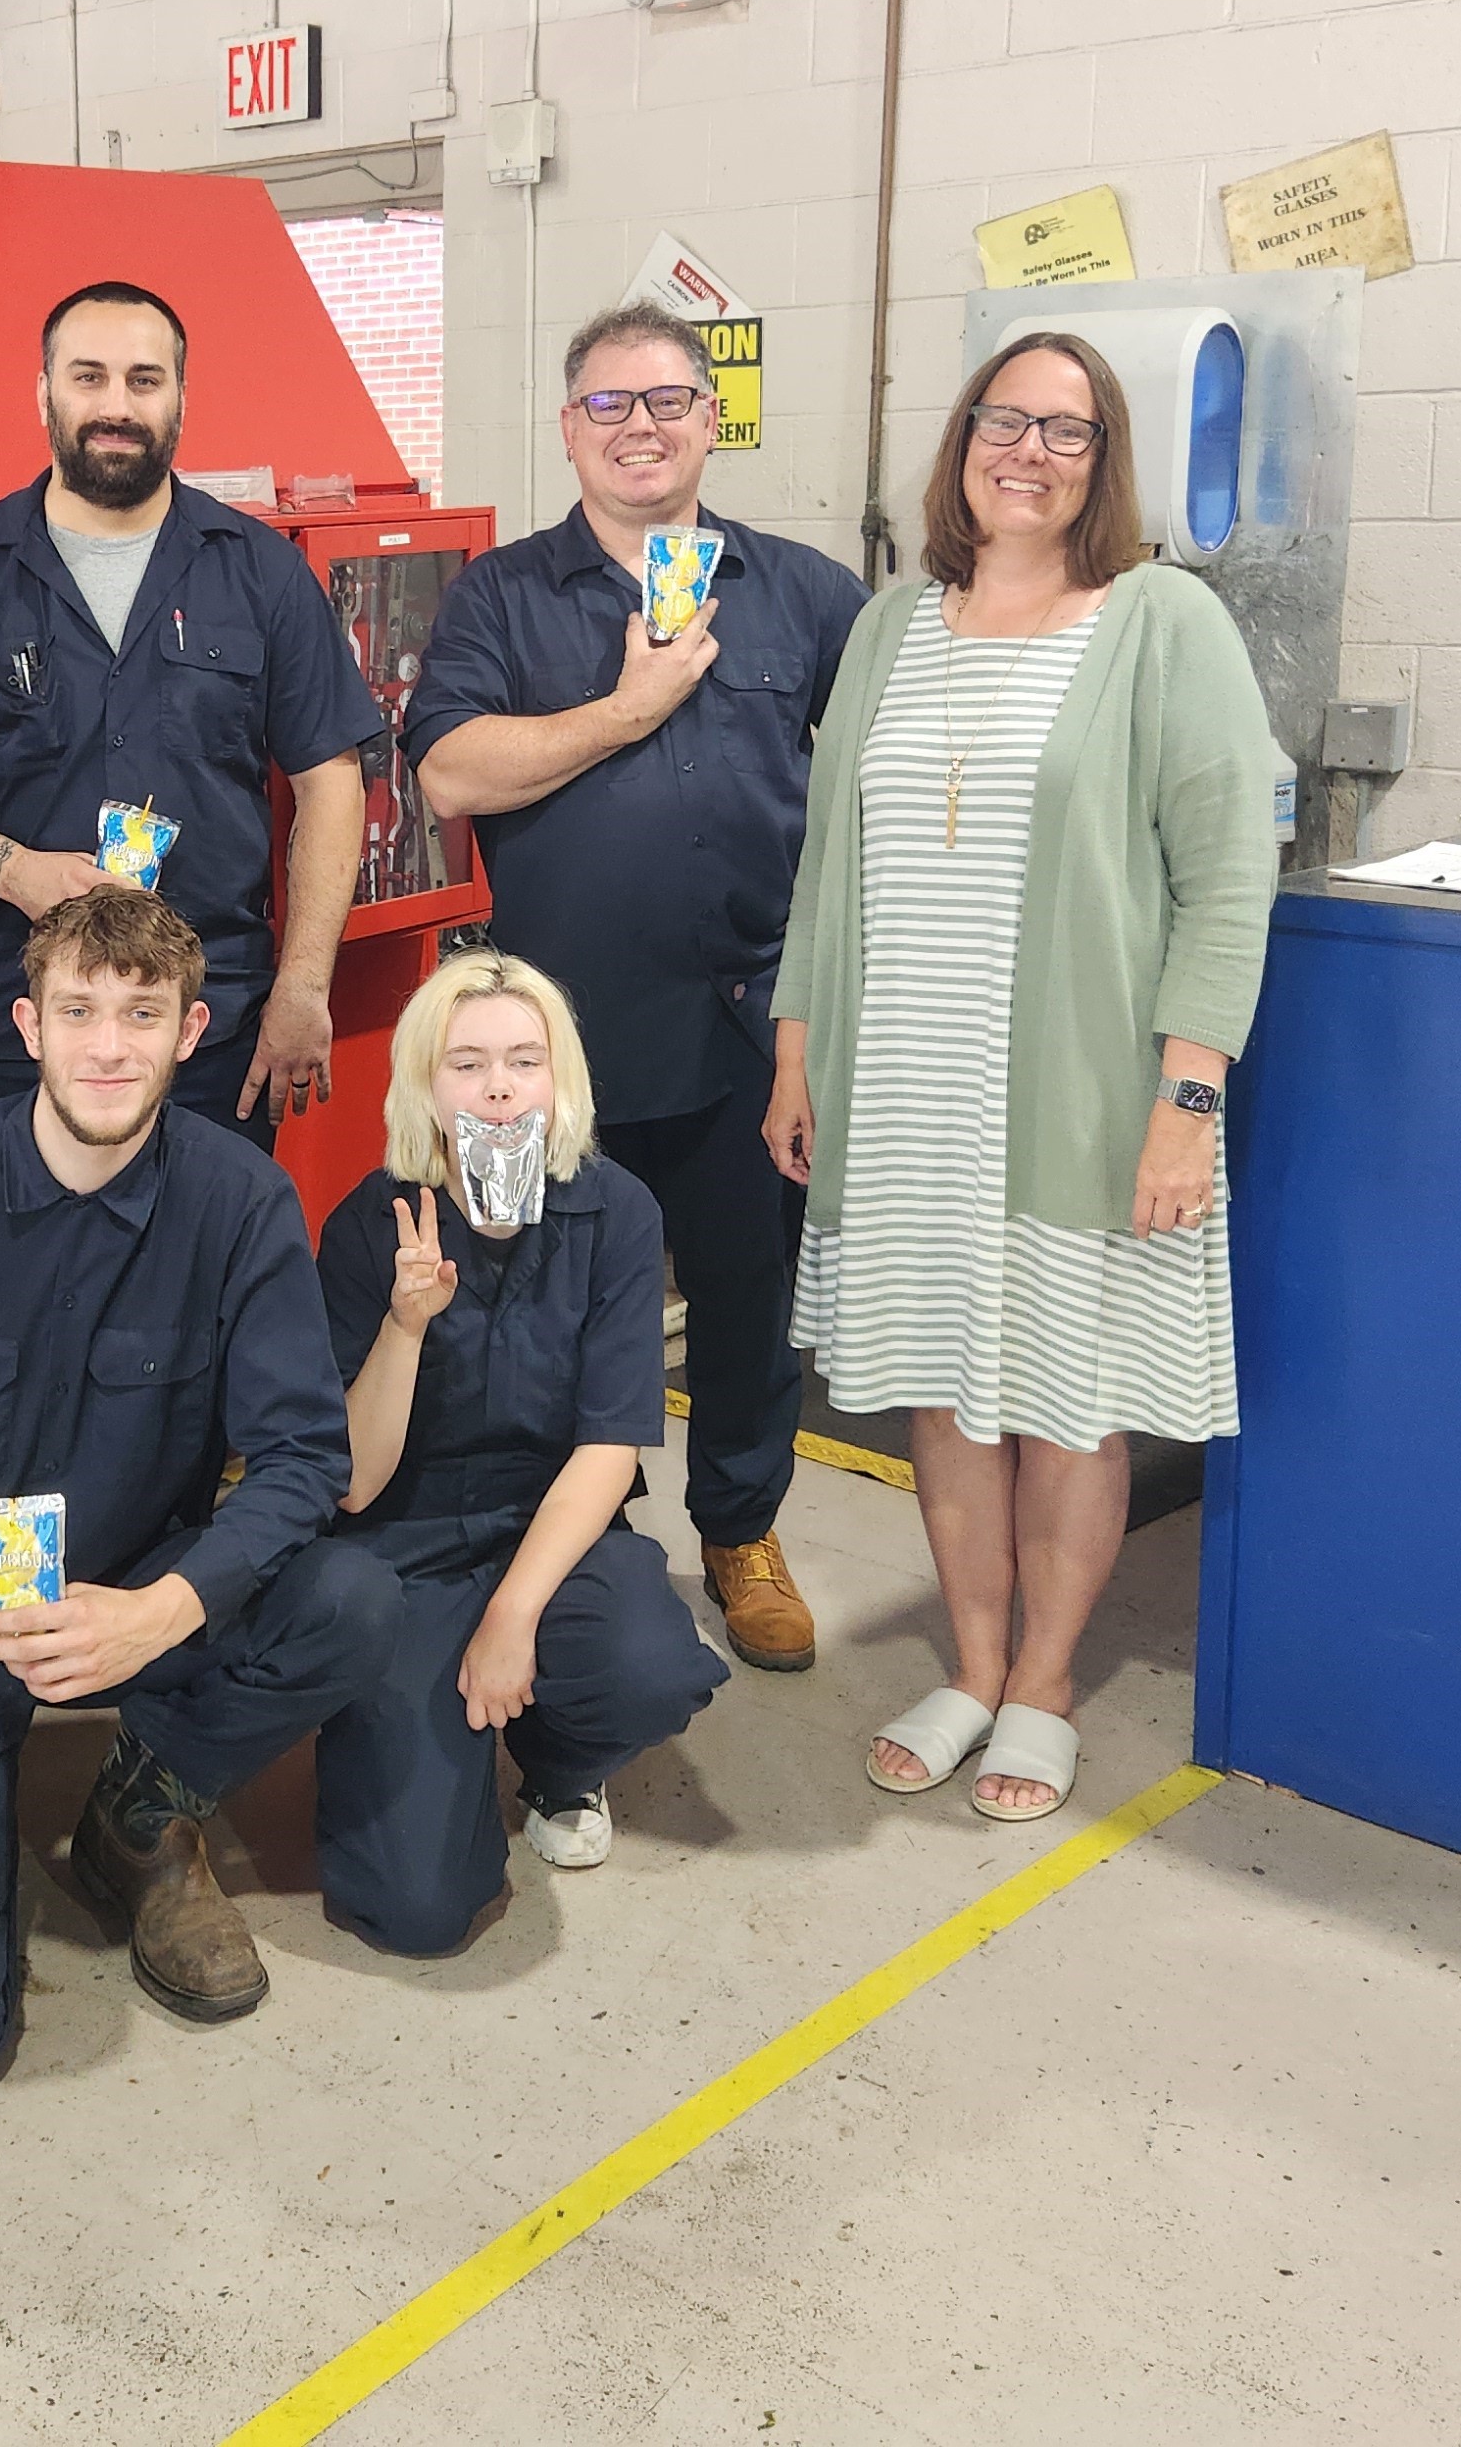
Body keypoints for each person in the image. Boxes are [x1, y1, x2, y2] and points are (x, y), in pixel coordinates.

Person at [762, 332, 1278, 1825]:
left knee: (1068, 1403)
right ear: (965, 440)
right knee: (942, 1396)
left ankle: (1046, 1683)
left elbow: (1228, 880)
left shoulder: (1161, 622)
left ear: (1105, 461)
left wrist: (1188, 1103)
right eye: (1006, 421)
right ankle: (972, 1663)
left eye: (1067, 430)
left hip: (1078, 1100)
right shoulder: (888, 628)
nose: (1030, 452)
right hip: (902, 1090)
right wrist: (799, 1053)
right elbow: (827, 866)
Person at [0, 887, 401, 2109]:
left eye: (140, 1013)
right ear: (26, 1025)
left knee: (355, 1599)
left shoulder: (239, 1203)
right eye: (78, 1010)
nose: (106, 1045)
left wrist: (164, 1609)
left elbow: (300, 1460)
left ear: (190, 1031)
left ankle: (139, 1804)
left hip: (130, 1600)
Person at [406, 302, 867, 1674]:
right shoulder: (503, 596)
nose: (642, 428)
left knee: (743, 1295)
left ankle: (739, 1531)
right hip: (559, 1038)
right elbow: (448, 774)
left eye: (669, 401)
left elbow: (873, 782)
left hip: (748, 1026)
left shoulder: (803, 591)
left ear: (710, 422)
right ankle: (569, 1539)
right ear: (570, 429)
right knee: (543, 1302)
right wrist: (627, 708)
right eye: (611, 405)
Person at [0, 279, 378, 1143]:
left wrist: (304, 988)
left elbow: (331, 781)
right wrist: (17, 872)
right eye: (88, 377)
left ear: (180, 396)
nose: (116, 405)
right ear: (45, 392)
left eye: (144, 379)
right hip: (16, 1018)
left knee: (201, 1270)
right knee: (8, 1271)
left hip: (209, 1023)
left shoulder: (260, 573)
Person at [308, 953, 727, 1957]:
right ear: (426, 1087)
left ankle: (556, 1756)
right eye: (466, 1064)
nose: (498, 1085)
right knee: (417, 1913)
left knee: (652, 1669)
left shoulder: (616, 1212)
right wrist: (404, 1327)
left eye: (523, 1060)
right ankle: (385, 1723)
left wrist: (510, 1614)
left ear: (557, 1080)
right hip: (400, 1548)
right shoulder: (367, 1227)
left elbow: (607, 1441)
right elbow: (354, 1480)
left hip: (551, 1533)